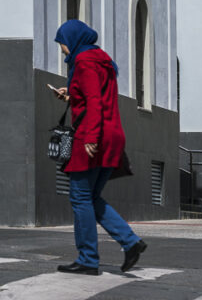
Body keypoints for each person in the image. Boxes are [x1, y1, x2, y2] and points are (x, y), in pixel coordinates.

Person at [54, 19, 147, 276]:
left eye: (62, 43)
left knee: (80, 197)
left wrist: (92, 137)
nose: (62, 49)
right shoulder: (100, 58)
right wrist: (70, 96)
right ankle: (130, 243)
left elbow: (95, 101)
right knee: (91, 197)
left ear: (72, 39)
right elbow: (95, 95)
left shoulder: (83, 62)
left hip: (94, 135)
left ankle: (87, 259)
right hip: (111, 133)